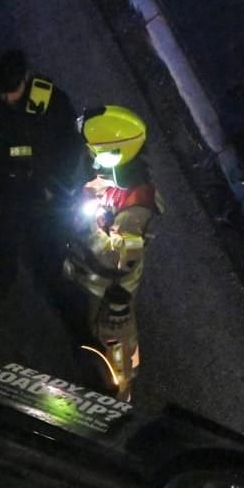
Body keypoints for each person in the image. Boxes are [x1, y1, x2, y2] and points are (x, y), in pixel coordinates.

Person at [0, 48, 84, 298]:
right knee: (4, 257)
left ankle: (58, 289)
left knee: (50, 252)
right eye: (1, 92)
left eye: (12, 92)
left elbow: (70, 146)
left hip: (39, 189)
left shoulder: (53, 102)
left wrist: (57, 185)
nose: (7, 99)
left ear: (26, 78)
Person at [62, 105, 160, 400]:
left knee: (114, 344)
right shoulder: (116, 177)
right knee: (93, 339)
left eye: (96, 152)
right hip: (88, 279)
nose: (91, 158)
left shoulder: (136, 206)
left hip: (110, 293)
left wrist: (86, 227)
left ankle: (120, 399)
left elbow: (119, 260)